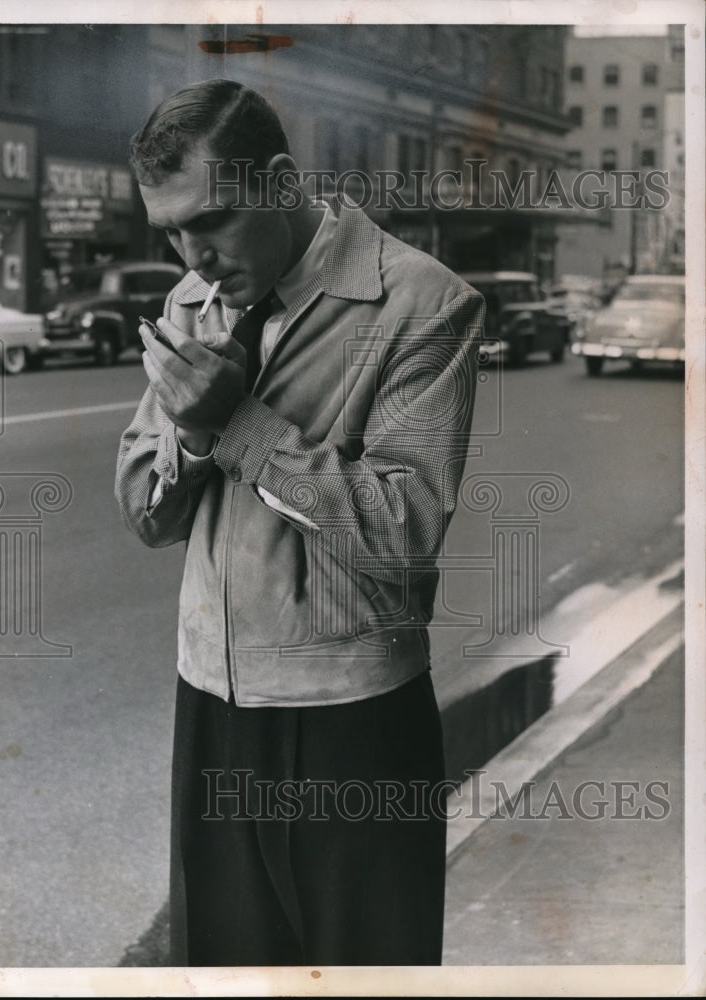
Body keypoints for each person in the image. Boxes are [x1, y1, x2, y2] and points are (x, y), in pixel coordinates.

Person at [115, 78, 484, 968]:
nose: (192, 257)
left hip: (352, 722)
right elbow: (145, 514)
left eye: (209, 221)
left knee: (365, 976)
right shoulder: (190, 308)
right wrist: (196, 438)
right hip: (210, 699)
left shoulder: (422, 306)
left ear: (280, 183)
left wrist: (239, 425)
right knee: (222, 970)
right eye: (169, 231)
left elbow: (403, 530)